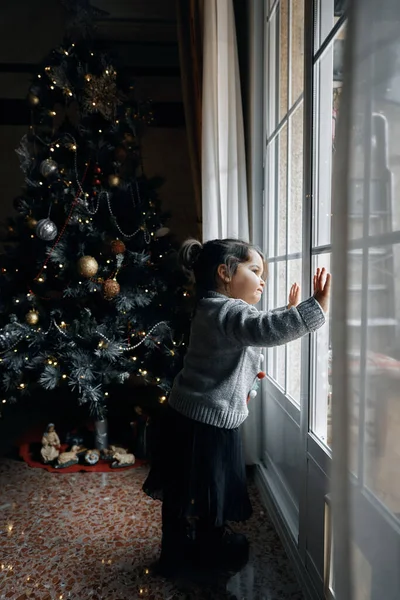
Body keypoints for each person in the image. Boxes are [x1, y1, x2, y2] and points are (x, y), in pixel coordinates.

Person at [143, 238, 331, 577]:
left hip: (186, 414)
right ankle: (208, 557)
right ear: (224, 272)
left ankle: (176, 552)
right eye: (255, 271)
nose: (262, 281)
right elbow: (260, 329)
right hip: (209, 423)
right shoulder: (230, 311)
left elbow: (248, 328)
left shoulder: (211, 307)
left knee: (183, 490)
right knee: (210, 492)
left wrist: (287, 313)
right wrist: (314, 306)